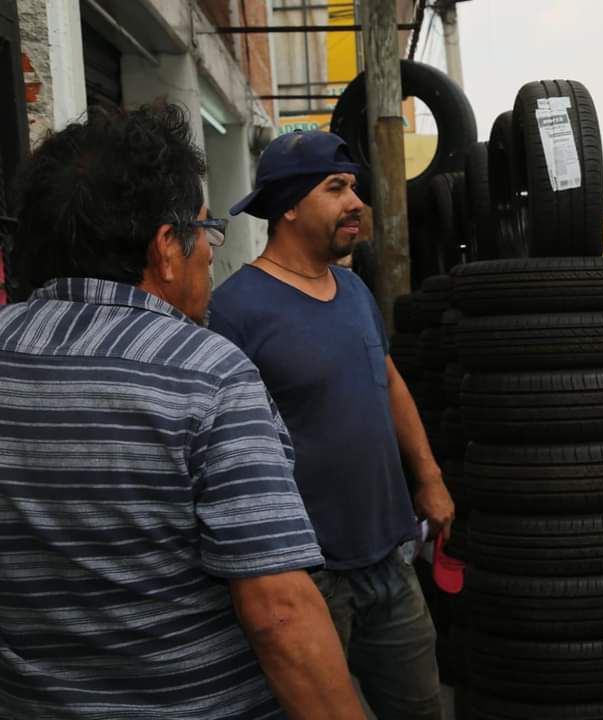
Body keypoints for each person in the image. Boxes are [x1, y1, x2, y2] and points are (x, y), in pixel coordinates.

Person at [0, 104, 365, 719]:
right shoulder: (206, 373)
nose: (210, 255)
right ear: (167, 248)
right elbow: (279, 612)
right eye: (206, 231)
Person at [210, 130, 453, 720]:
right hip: (304, 579)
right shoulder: (234, 309)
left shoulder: (352, 288)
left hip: (390, 559)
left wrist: (429, 476)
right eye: (336, 188)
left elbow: (388, 379)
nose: (357, 204)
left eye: (355, 188)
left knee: (421, 708)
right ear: (289, 205)